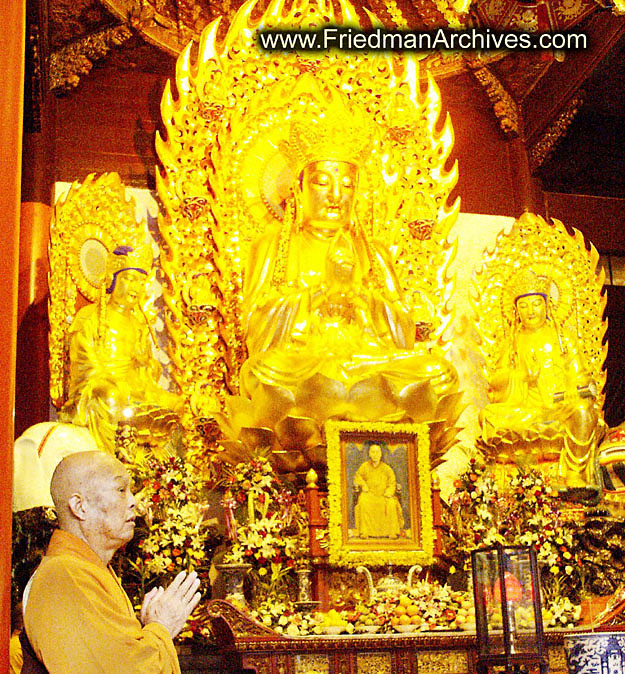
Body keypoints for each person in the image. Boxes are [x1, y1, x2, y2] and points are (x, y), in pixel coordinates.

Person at [239, 86, 458, 415]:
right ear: (297, 189)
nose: (335, 194)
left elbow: (402, 329)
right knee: (263, 372)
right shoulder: (273, 245)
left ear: (357, 194)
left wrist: (363, 300)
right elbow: (255, 325)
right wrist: (314, 298)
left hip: (367, 359)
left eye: (346, 185)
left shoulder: (374, 252)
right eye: (322, 182)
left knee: (438, 373)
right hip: (302, 366)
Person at [5, 451, 211, 674]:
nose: (135, 503)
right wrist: (161, 630)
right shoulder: (63, 575)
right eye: (121, 490)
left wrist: (147, 629)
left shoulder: (88, 571)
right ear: (79, 506)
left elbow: (108, 658)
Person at [479, 269, 600, 488]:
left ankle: (574, 472)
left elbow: (581, 375)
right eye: (523, 306)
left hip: (561, 407)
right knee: (488, 416)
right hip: (527, 410)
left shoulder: (562, 339)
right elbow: (496, 385)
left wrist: (577, 389)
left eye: (535, 303)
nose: (530, 311)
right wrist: (522, 377)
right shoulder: (512, 343)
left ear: (547, 305)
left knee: (583, 412)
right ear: (515, 311)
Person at [62, 247, 181, 452]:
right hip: (101, 387)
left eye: (141, 281)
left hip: (134, 387)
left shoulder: (138, 325)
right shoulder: (91, 317)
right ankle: (111, 457)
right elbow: (84, 363)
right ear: (112, 280)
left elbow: (143, 373)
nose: (136, 287)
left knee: (177, 404)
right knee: (111, 395)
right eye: (129, 279)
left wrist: (147, 366)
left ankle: (166, 469)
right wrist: (113, 381)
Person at [353, 444, 404, 539]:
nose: (375, 454)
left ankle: (392, 532)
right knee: (363, 501)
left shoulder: (387, 468)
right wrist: (363, 484)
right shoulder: (364, 466)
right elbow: (358, 477)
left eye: (377, 452)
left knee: (391, 503)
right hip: (370, 494)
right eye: (373, 452)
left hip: (383, 495)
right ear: (369, 454)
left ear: (381, 454)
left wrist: (389, 491)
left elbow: (392, 482)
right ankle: (365, 531)